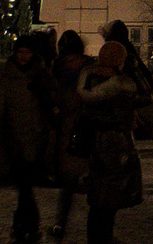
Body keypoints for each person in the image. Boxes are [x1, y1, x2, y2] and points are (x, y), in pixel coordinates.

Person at [78, 40, 151, 244]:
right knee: (110, 195)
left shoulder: (89, 78)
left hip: (95, 140)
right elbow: (147, 96)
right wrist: (134, 71)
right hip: (116, 141)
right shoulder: (122, 85)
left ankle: (97, 236)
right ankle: (102, 237)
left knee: (99, 195)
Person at [0, 33, 58, 244]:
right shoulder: (8, 77)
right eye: (20, 52)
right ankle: (28, 225)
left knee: (25, 185)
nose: (23, 56)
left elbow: (53, 98)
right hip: (15, 138)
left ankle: (23, 226)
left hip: (37, 137)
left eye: (27, 52)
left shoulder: (42, 74)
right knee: (25, 184)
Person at [49, 30, 93, 242]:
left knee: (73, 181)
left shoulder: (63, 69)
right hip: (77, 129)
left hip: (76, 129)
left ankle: (63, 222)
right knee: (74, 180)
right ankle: (66, 222)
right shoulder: (85, 67)